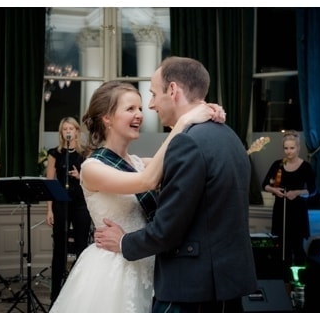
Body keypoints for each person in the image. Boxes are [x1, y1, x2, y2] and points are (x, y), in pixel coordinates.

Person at [93, 57, 257, 312]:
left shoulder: (188, 142)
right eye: (131, 108)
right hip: (225, 283)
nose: (150, 105)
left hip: (190, 286)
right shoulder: (228, 135)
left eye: (153, 94)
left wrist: (124, 242)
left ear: (172, 90)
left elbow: (167, 230)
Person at [49, 79, 225, 313]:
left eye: (140, 108)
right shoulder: (92, 168)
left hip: (149, 262)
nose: (140, 115)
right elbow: (147, 181)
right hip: (113, 271)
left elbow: (178, 160)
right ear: (107, 118)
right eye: (130, 109)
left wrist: (205, 112)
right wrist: (183, 122)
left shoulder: (139, 163)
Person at [45, 117, 91, 304]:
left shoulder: (85, 153)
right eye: (65, 129)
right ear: (61, 133)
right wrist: (49, 210)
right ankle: (56, 295)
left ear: (77, 131)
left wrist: (80, 176)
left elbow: (93, 181)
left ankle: (80, 295)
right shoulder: (54, 154)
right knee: (59, 249)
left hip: (80, 203)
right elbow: (49, 183)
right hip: (60, 204)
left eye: (71, 128)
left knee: (81, 246)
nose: (68, 131)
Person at [262, 130, 316, 267]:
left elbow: (313, 191)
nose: (288, 151)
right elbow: (265, 185)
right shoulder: (277, 164)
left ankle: (299, 284)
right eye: (286, 148)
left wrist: (297, 192)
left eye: (292, 148)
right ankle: (283, 282)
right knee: (281, 249)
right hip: (281, 211)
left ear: (298, 148)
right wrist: (274, 189)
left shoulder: (306, 167)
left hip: (298, 213)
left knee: (298, 249)